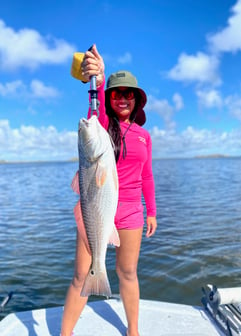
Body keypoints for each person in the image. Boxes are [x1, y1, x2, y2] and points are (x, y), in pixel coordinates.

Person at [61, 44, 157, 336]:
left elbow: (148, 176)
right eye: (117, 94)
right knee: (81, 275)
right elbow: (96, 113)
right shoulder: (103, 127)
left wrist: (151, 212)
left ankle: (133, 330)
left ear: (136, 100)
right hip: (96, 207)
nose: (123, 99)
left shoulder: (144, 136)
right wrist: (98, 80)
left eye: (129, 94)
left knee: (127, 272)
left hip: (130, 211)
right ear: (109, 99)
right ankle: (65, 333)